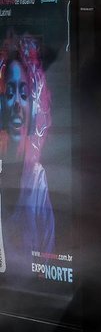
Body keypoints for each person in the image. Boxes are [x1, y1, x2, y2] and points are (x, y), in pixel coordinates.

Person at [0, 31, 53, 279]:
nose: (18, 104)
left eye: (24, 93)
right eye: (9, 93)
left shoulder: (36, 177)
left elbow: (48, 253)